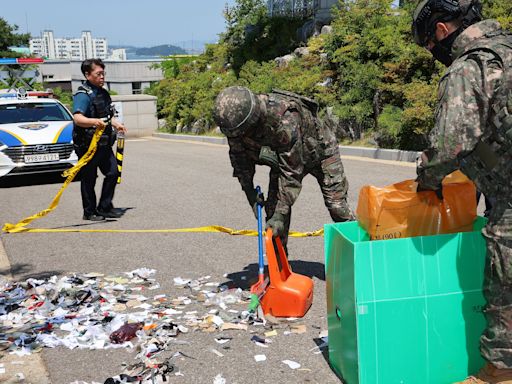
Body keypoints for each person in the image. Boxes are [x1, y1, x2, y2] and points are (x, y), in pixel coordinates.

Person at [411, 0, 512, 382]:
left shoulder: (472, 65)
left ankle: (500, 372)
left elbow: (448, 145)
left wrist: (427, 180)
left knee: (505, 281)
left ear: (440, 31)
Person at [213, 86, 354, 248]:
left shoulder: (283, 120)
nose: (238, 137)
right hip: (285, 158)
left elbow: (292, 173)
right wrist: (250, 193)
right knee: (273, 222)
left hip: (321, 152)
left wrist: (281, 213)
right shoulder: (236, 125)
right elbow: (240, 160)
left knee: (338, 208)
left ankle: (365, 255)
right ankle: (279, 269)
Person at [72, 58, 127, 221]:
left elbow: (107, 117)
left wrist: (116, 124)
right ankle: (89, 212)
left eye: (103, 73)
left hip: (103, 144)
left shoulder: (103, 93)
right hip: (87, 145)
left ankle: (104, 207)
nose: (102, 77)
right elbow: (78, 118)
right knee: (89, 178)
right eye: (99, 74)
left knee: (113, 172)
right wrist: (93, 122)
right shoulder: (83, 95)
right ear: (88, 75)